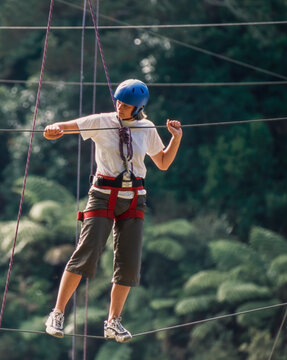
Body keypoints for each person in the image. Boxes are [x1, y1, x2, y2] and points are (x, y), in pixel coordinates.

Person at [43, 79, 182, 343]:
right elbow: (66, 126)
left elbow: (163, 162)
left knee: (129, 263)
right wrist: (53, 129)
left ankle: (113, 322)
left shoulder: (146, 128)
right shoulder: (101, 120)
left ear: (138, 108)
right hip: (102, 195)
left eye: (126, 105)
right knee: (87, 251)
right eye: (118, 101)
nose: (120, 107)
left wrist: (176, 138)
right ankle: (57, 313)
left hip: (134, 198)